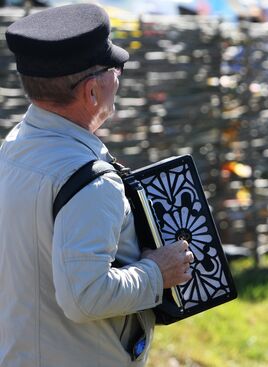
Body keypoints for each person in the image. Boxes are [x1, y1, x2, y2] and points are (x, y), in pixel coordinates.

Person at [0, 4, 194, 367]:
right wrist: (157, 273)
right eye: (112, 69)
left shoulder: (13, 148)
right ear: (91, 92)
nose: (118, 75)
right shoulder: (91, 181)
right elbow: (85, 296)